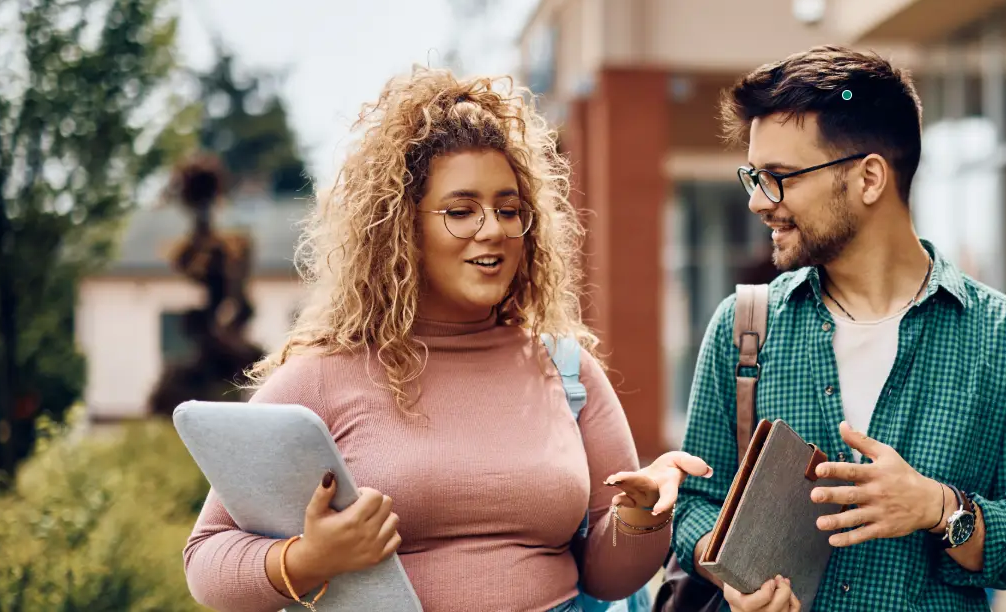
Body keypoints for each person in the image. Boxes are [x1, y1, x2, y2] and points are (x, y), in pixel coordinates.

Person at [183, 68, 709, 612]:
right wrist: (308, 558)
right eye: (461, 211)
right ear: (400, 227)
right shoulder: (323, 375)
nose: (493, 229)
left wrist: (642, 515)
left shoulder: (566, 370)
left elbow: (607, 581)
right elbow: (206, 559)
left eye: (509, 210)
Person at [670, 46, 1006, 611]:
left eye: (779, 177)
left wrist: (938, 508)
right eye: (754, 177)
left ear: (870, 178)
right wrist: (735, 574)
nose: (758, 201)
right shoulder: (744, 326)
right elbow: (695, 504)